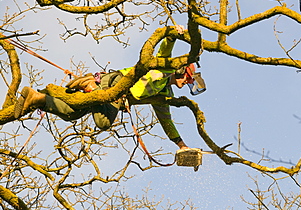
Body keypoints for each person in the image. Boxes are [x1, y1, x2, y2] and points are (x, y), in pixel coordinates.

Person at [14, 27, 206, 150]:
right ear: (181, 71)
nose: (187, 83)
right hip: (114, 84)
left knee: (71, 113)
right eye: (188, 79)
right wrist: (173, 34)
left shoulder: (164, 94)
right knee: (104, 122)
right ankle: (90, 85)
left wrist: (181, 146)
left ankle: (36, 98)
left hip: (117, 96)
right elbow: (165, 48)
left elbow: (166, 121)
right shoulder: (162, 66)